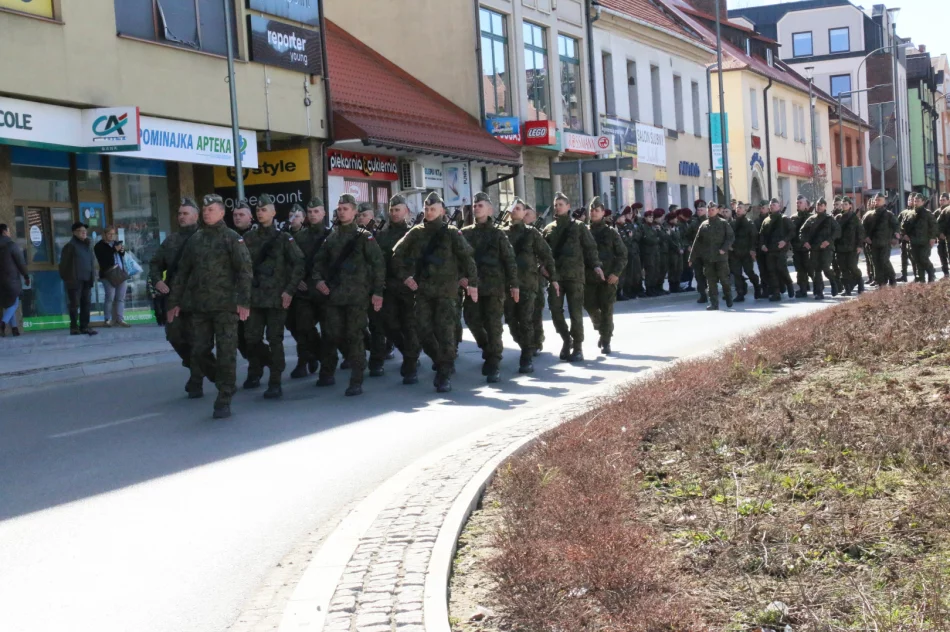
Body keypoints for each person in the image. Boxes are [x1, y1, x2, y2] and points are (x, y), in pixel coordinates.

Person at [167, 194, 253, 419]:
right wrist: (174, 302)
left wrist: (243, 302)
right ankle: (223, 381)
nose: (207, 213)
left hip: (226, 307)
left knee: (226, 352)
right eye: (205, 210)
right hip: (200, 307)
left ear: (222, 213)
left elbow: (245, 271)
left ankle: (224, 396)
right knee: (199, 350)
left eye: (211, 210)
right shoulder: (196, 239)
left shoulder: (232, 238)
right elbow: (182, 273)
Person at [392, 191, 477, 393]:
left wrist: (472, 283)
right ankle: (441, 361)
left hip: (447, 292)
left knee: (446, 333)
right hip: (423, 292)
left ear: (442, 211)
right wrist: (406, 277)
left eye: (433, 209)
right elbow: (397, 255)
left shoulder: (451, 233)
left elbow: (468, 258)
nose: (429, 212)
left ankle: (444, 374)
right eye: (427, 209)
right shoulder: (416, 232)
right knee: (422, 331)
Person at [312, 194, 385, 396]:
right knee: (331, 335)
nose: (342, 211)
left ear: (354, 212)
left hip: (357, 298)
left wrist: (378, 292)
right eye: (340, 208)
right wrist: (319, 282)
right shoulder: (332, 238)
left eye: (346, 208)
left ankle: (356, 380)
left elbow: (378, 265)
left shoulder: (364, 237)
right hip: (334, 297)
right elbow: (318, 263)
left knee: (355, 337)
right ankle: (327, 373)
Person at [242, 193, 305, 398]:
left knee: (274, 338)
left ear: (273, 212)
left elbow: (298, 264)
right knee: (251, 338)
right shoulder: (249, 238)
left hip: (277, 298)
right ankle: (271, 363)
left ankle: (275, 381)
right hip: (255, 297)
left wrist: (289, 290)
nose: (260, 213)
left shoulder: (283, 238)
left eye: (264, 209)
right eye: (258, 210)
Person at [149, 198, 209, 396]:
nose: (181, 217)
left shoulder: (206, 238)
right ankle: (201, 370)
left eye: (185, 213)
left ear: (196, 216)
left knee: (197, 342)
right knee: (174, 336)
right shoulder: (172, 240)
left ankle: (197, 379)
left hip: (200, 300)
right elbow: (156, 263)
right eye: (179, 213)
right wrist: (158, 280)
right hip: (175, 299)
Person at [461, 192, 519, 383]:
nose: (476, 208)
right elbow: (458, 259)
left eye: (480, 205)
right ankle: (487, 347)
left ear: (489, 209)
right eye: (475, 205)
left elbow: (509, 260)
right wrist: (461, 278)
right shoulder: (465, 233)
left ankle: (494, 362)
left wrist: (514, 285)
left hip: (494, 287)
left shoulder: (498, 234)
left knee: (494, 326)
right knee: (472, 320)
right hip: (472, 287)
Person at [542, 192, 603, 362]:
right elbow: (541, 252)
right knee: (555, 310)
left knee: (576, 313)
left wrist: (596, 265)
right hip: (555, 277)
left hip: (575, 276)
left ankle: (577, 347)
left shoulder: (579, 227)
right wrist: (542, 268)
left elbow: (590, 248)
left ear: (568, 206)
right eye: (556, 204)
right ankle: (566, 339)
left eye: (561, 204)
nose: (558, 207)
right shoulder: (548, 229)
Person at [367, 194, 421, 384]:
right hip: (389, 288)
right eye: (391, 210)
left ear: (406, 211)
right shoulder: (382, 236)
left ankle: (410, 366)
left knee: (410, 327)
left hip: (408, 289)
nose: (394, 213)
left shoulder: (414, 234)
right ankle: (409, 354)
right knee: (389, 325)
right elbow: (377, 263)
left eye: (397, 209)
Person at [503, 198, 557, 373]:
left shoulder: (532, 233)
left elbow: (546, 255)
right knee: (511, 321)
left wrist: (551, 275)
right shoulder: (502, 233)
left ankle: (526, 356)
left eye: (518, 208)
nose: (514, 211)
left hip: (528, 284)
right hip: (508, 285)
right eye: (512, 208)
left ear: (524, 212)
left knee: (526, 320)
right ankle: (527, 344)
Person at [288, 198, 329, 380]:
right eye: (310, 212)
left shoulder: (332, 236)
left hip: (325, 292)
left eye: (316, 212)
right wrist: (296, 282)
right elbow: (290, 263)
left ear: (324, 213)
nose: (313, 215)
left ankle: (328, 365)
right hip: (305, 291)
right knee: (303, 328)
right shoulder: (299, 237)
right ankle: (305, 360)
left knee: (331, 331)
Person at [585, 199, 626, 354]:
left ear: (603, 213)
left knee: (606, 309)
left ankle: (606, 340)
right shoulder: (584, 231)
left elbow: (622, 255)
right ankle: (602, 329)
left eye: (597, 210)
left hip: (608, 278)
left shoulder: (611, 233)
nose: (594, 212)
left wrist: (616, 273)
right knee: (589, 306)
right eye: (592, 210)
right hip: (589, 278)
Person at [689, 201, 734, 310]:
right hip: (708, 258)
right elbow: (697, 242)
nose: (710, 212)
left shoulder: (723, 223)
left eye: (712, 210)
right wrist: (691, 257)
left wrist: (724, 248)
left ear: (717, 210)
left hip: (720, 258)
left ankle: (728, 295)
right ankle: (714, 303)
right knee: (711, 281)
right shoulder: (704, 225)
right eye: (709, 210)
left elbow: (730, 237)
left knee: (724, 280)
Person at [59, 222, 98, 336]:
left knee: (86, 303)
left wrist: (93, 276)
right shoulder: (70, 246)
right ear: (74, 232)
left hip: (87, 280)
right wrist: (69, 279)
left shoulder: (87, 245)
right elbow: (63, 266)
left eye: (85, 231)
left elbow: (91, 262)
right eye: (81, 231)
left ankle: (85, 326)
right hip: (75, 281)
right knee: (74, 304)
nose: (84, 233)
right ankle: (74, 327)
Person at [800, 197, 841, 300]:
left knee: (826, 268)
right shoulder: (811, 219)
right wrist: (805, 242)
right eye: (818, 205)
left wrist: (829, 241)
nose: (819, 207)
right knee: (816, 270)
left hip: (827, 248)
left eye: (821, 205)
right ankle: (819, 292)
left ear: (825, 207)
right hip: (814, 248)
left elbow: (837, 231)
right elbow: (802, 231)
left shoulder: (830, 219)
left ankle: (833, 282)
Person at [759, 198, 795, 302]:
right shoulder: (766, 220)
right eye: (771, 205)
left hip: (780, 249)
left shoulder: (784, 218)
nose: (772, 206)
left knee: (781, 268)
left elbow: (792, 231)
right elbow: (762, 235)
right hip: (769, 250)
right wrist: (762, 245)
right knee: (772, 271)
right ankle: (776, 293)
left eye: (774, 204)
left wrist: (784, 241)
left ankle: (789, 283)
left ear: (779, 206)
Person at [231, 200, 255, 359]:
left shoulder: (256, 236)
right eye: (235, 215)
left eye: (241, 215)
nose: (237, 218)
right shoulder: (228, 236)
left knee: (252, 335)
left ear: (250, 217)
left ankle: (258, 366)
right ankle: (257, 361)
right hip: (233, 294)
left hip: (253, 294)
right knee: (238, 336)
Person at [94, 226, 130, 327]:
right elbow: (104, 259)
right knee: (110, 297)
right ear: (104, 235)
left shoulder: (115, 243)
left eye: (113, 234)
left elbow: (122, 255)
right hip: (108, 274)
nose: (112, 236)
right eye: (109, 234)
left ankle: (120, 319)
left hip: (120, 272)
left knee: (120, 297)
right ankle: (107, 319)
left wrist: (121, 250)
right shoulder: (99, 246)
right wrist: (114, 249)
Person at [523, 203, 547, 355]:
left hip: (537, 278)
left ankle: (536, 341)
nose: (527, 217)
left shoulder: (538, 233)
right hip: (522, 279)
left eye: (529, 215)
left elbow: (546, 254)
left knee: (536, 311)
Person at [899, 192, 938, 283]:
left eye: (918, 201)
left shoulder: (927, 214)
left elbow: (934, 226)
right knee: (917, 261)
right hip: (913, 242)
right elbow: (903, 226)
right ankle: (921, 280)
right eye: (915, 201)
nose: (916, 202)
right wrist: (904, 234)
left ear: (923, 202)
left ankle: (931, 273)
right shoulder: (909, 214)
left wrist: (932, 238)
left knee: (923, 259)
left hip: (925, 242)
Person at [862, 193, 900, 287]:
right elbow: (862, 228)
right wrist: (866, 237)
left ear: (884, 202)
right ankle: (881, 282)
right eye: (876, 199)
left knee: (884, 261)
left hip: (885, 242)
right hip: (873, 243)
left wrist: (895, 236)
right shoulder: (869, 215)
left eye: (879, 199)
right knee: (876, 263)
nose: (877, 201)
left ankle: (892, 278)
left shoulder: (888, 214)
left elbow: (896, 226)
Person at [0, 223, 29, 337]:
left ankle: (15, 328)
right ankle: (3, 322)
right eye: (8, 231)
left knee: (8, 303)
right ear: (4, 232)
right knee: (15, 302)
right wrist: (26, 276)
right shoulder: (11, 245)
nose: (9, 233)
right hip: (11, 278)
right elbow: (20, 262)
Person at [729, 202, 761, 302]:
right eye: (737, 208)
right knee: (737, 273)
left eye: (741, 208)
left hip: (746, 253)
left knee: (749, 272)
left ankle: (757, 285)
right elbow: (728, 236)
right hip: (735, 252)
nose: (738, 209)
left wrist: (752, 249)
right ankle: (740, 293)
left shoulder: (749, 223)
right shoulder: (732, 223)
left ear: (745, 210)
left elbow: (754, 237)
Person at [834, 197, 865, 295]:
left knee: (852, 266)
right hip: (840, 247)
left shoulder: (854, 217)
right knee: (843, 268)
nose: (843, 206)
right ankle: (847, 288)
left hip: (852, 247)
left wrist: (859, 245)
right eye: (842, 204)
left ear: (850, 206)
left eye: (846, 204)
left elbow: (860, 232)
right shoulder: (838, 217)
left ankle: (860, 282)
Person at [790, 195, 813, 298]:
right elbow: (790, 232)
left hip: (808, 248)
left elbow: (815, 233)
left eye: (800, 203)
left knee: (811, 270)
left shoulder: (811, 217)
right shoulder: (793, 218)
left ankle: (818, 288)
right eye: (797, 203)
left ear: (806, 205)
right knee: (800, 270)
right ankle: (803, 289)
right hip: (797, 248)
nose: (798, 205)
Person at [686, 201, 708, 302]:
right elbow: (687, 236)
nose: (699, 212)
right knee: (698, 274)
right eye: (698, 210)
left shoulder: (710, 221)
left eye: (701, 210)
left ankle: (711, 292)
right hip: (697, 252)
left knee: (709, 273)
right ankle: (702, 294)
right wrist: (689, 245)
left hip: (708, 252)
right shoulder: (694, 223)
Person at [936, 192, 950, 278]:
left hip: (948, 237)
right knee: (942, 256)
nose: (941, 202)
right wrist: (939, 234)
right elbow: (934, 224)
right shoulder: (937, 212)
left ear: (948, 201)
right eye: (940, 200)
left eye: (943, 200)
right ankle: (946, 274)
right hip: (941, 239)